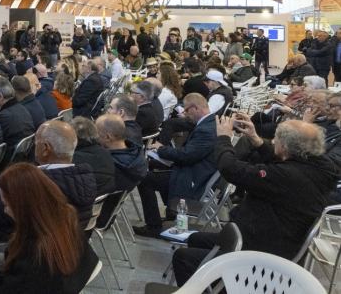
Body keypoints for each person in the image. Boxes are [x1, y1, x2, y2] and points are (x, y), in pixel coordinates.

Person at [171, 117, 338, 286]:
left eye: (275, 140)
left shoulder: (285, 175)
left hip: (262, 251)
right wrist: (256, 140)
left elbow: (231, 169)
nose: (272, 142)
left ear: (285, 147)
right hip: (281, 237)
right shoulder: (322, 166)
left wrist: (223, 138)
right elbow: (287, 159)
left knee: (183, 258)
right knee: (196, 239)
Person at [0, 163, 99, 294]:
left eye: (6, 205)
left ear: (23, 208)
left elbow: (13, 285)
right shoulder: (65, 221)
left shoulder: (36, 254)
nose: (5, 211)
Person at [0, 120, 97, 245]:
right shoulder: (87, 180)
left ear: (45, 149)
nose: (33, 146)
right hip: (63, 248)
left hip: (17, 248)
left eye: (35, 142)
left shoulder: (30, 184)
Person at [133, 93, 217, 238]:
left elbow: (187, 156)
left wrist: (161, 149)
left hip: (192, 178)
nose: (185, 115)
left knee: (145, 179)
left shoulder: (206, 129)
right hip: (192, 169)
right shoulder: (208, 123)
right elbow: (190, 153)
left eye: (186, 110)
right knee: (153, 165)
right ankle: (171, 212)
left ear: (195, 108)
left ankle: (153, 226)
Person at [0, 77, 35, 160]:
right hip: (27, 157)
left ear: (0, 96)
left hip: (12, 162)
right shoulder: (22, 108)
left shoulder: (2, 117)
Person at [70, 117, 116, 195]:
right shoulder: (106, 153)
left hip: (83, 202)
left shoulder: (73, 159)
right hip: (100, 200)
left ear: (73, 137)